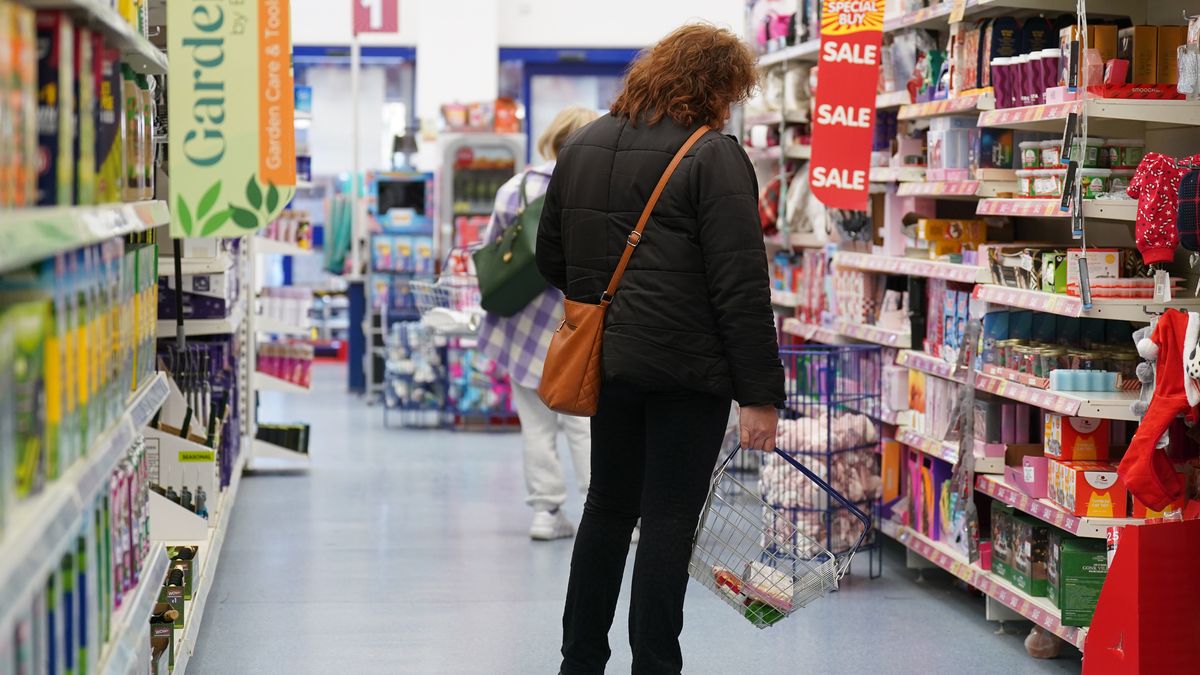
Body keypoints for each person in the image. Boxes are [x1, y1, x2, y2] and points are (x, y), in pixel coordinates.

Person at [536, 24, 785, 675]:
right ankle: (654, 662)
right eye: (731, 91)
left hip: (608, 365)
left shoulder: (582, 145)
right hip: (687, 373)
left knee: (607, 508)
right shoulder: (713, 155)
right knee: (669, 518)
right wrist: (760, 394)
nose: (732, 104)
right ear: (713, 86)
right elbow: (740, 286)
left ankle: (580, 658)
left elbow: (550, 257)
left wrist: (610, 310)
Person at [477, 106, 600, 541]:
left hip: (521, 323)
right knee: (584, 423)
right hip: (577, 325)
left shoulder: (517, 187)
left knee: (536, 426)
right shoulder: (597, 188)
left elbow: (492, 249)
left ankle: (545, 513)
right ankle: (598, 511)